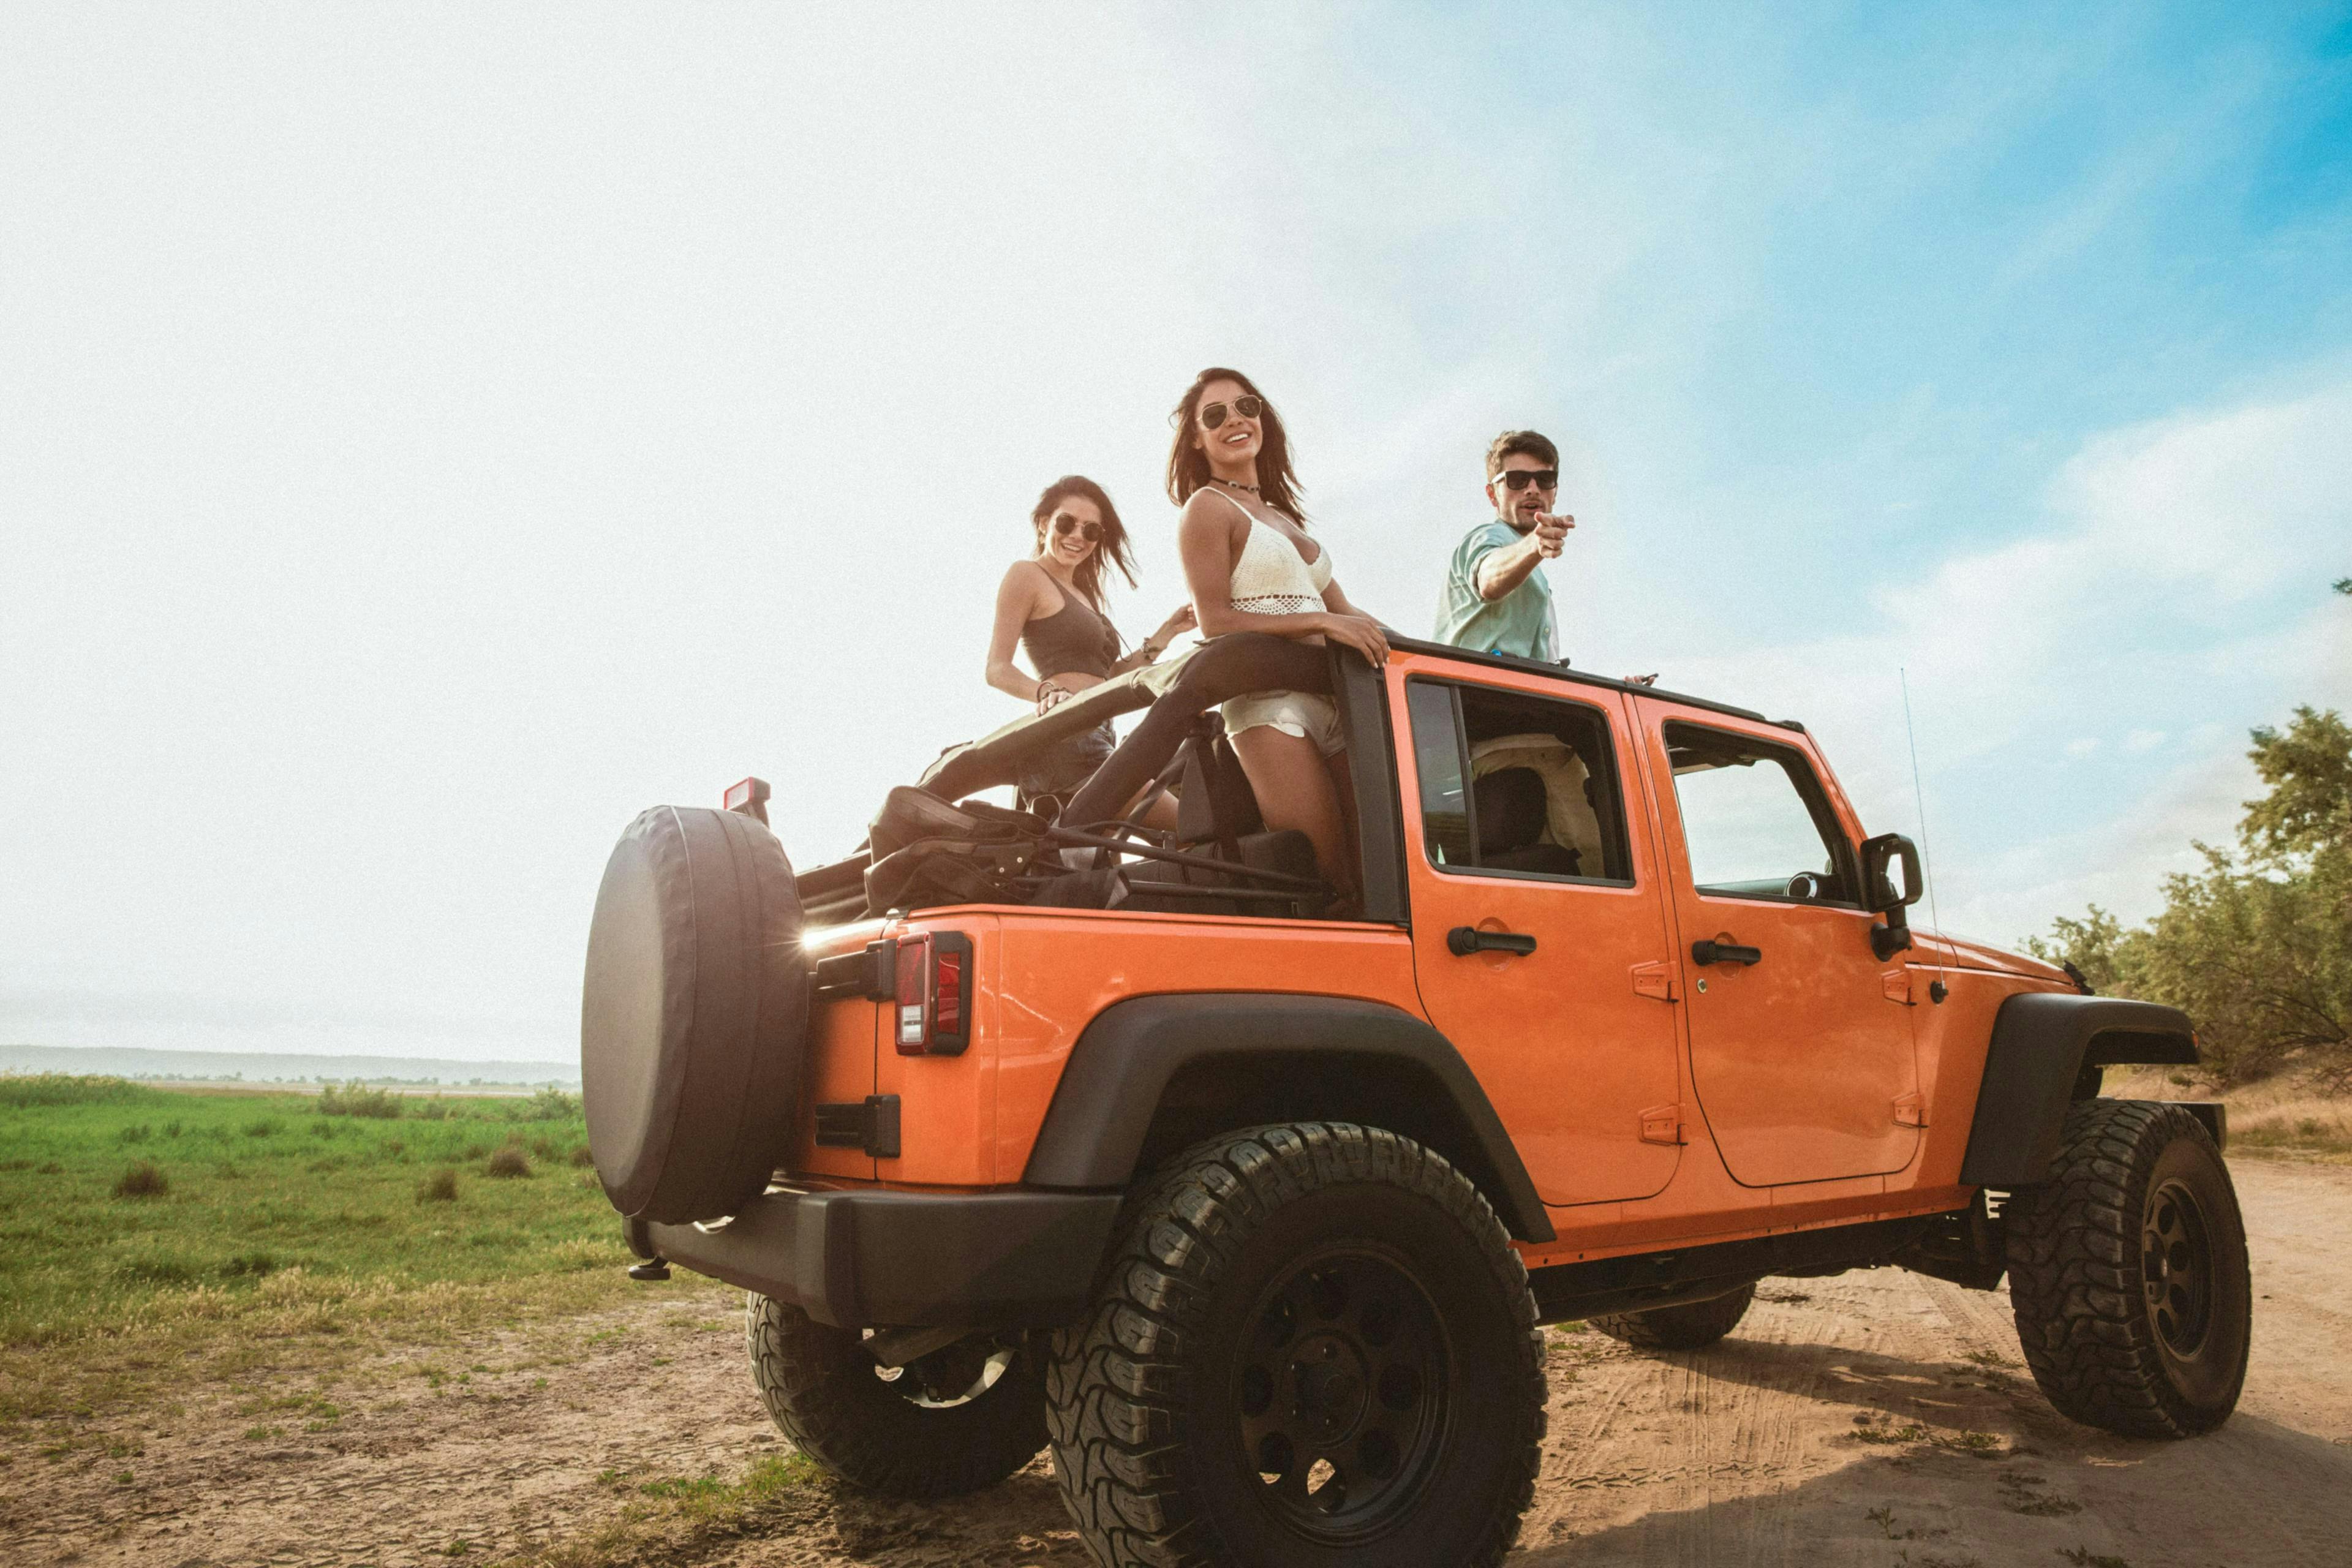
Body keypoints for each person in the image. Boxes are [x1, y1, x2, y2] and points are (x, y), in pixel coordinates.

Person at [1170, 367, 1389, 908]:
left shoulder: (1285, 519)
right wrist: (1319, 624)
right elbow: (1214, 621)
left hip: (1341, 700)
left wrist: (1441, 657)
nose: (1235, 421)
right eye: (1215, 416)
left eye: (1246, 407)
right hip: (1270, 711)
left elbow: (1348, 612)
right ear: (1197, 439)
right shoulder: (1206, 508)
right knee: (1331, 881)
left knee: (1380, 876)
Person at [985, 476, 1194, 815]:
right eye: (1066, 524)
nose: (1077, 537)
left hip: (1102, 734)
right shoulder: (1026, 575)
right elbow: (996, 669)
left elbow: (1108, 678)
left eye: (1091, 531)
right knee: (1186, 824)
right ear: (1043, 524)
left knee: (1102, 861)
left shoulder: (1084, 594)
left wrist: (1168, 632)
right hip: (1064, 740)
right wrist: (1045, 692)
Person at [1434, 429, 1571, 662]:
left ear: (1555, 492)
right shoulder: (1487, 538)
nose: (1533, 489)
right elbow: (1488, 578)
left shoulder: (1535, 575)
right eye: (1517, 480)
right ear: (1492, 494)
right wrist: (1534, 545)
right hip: (1470, 695)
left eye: (1545, 480)